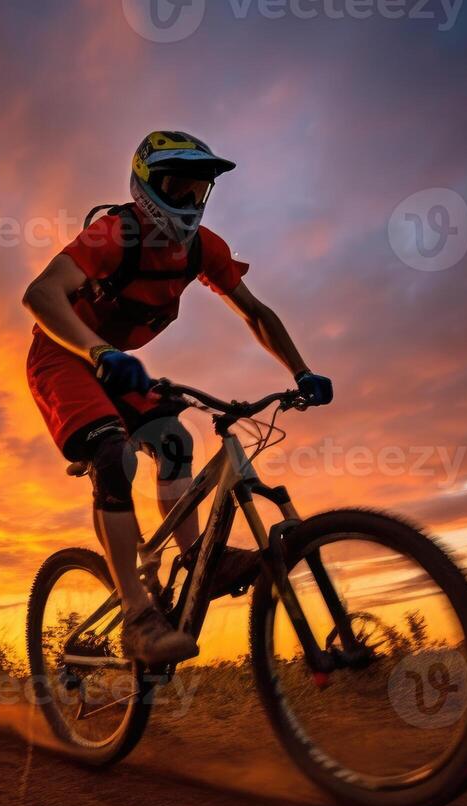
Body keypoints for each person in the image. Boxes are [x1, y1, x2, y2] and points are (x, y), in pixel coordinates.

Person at [22, 131, 333, 669]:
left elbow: (255, 311)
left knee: (174, 441)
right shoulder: (115, 233)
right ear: (145, 187)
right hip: (63, 358)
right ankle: (140, 619)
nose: (188, 200)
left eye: (197, 189)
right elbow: (41, 294)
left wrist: (301, 370)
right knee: (113, 455)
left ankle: (196, 561)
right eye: (176, 186)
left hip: (111, 365)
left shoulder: (200, 247)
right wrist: (96, 351)